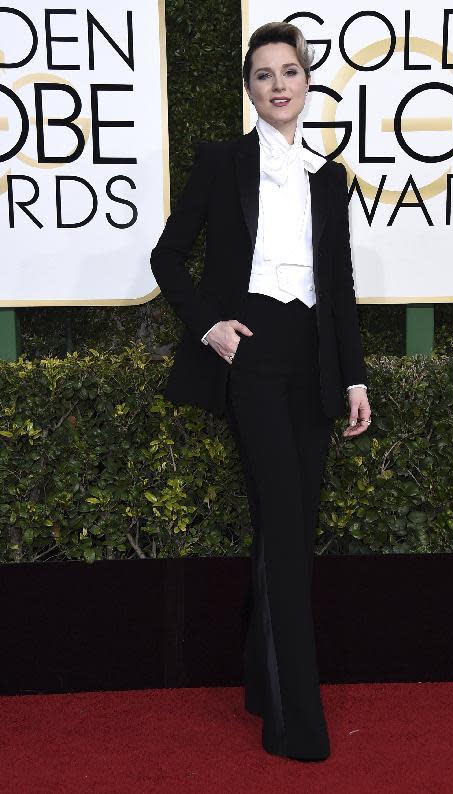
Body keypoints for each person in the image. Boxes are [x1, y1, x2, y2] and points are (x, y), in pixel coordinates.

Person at [150, 21, 372, 762]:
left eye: (290, 72)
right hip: (253, 358)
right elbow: (169, 255)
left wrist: (354, 375)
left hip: (313, 361)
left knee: (294, 528)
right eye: (263, 75)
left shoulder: (328, 177)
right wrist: (210, 325)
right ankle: (295, 722)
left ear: (308, 84)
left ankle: (258, 678)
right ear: (249, 90)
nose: (278, 85)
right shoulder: (222, 162)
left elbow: (337, 287)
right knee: (280, 525)